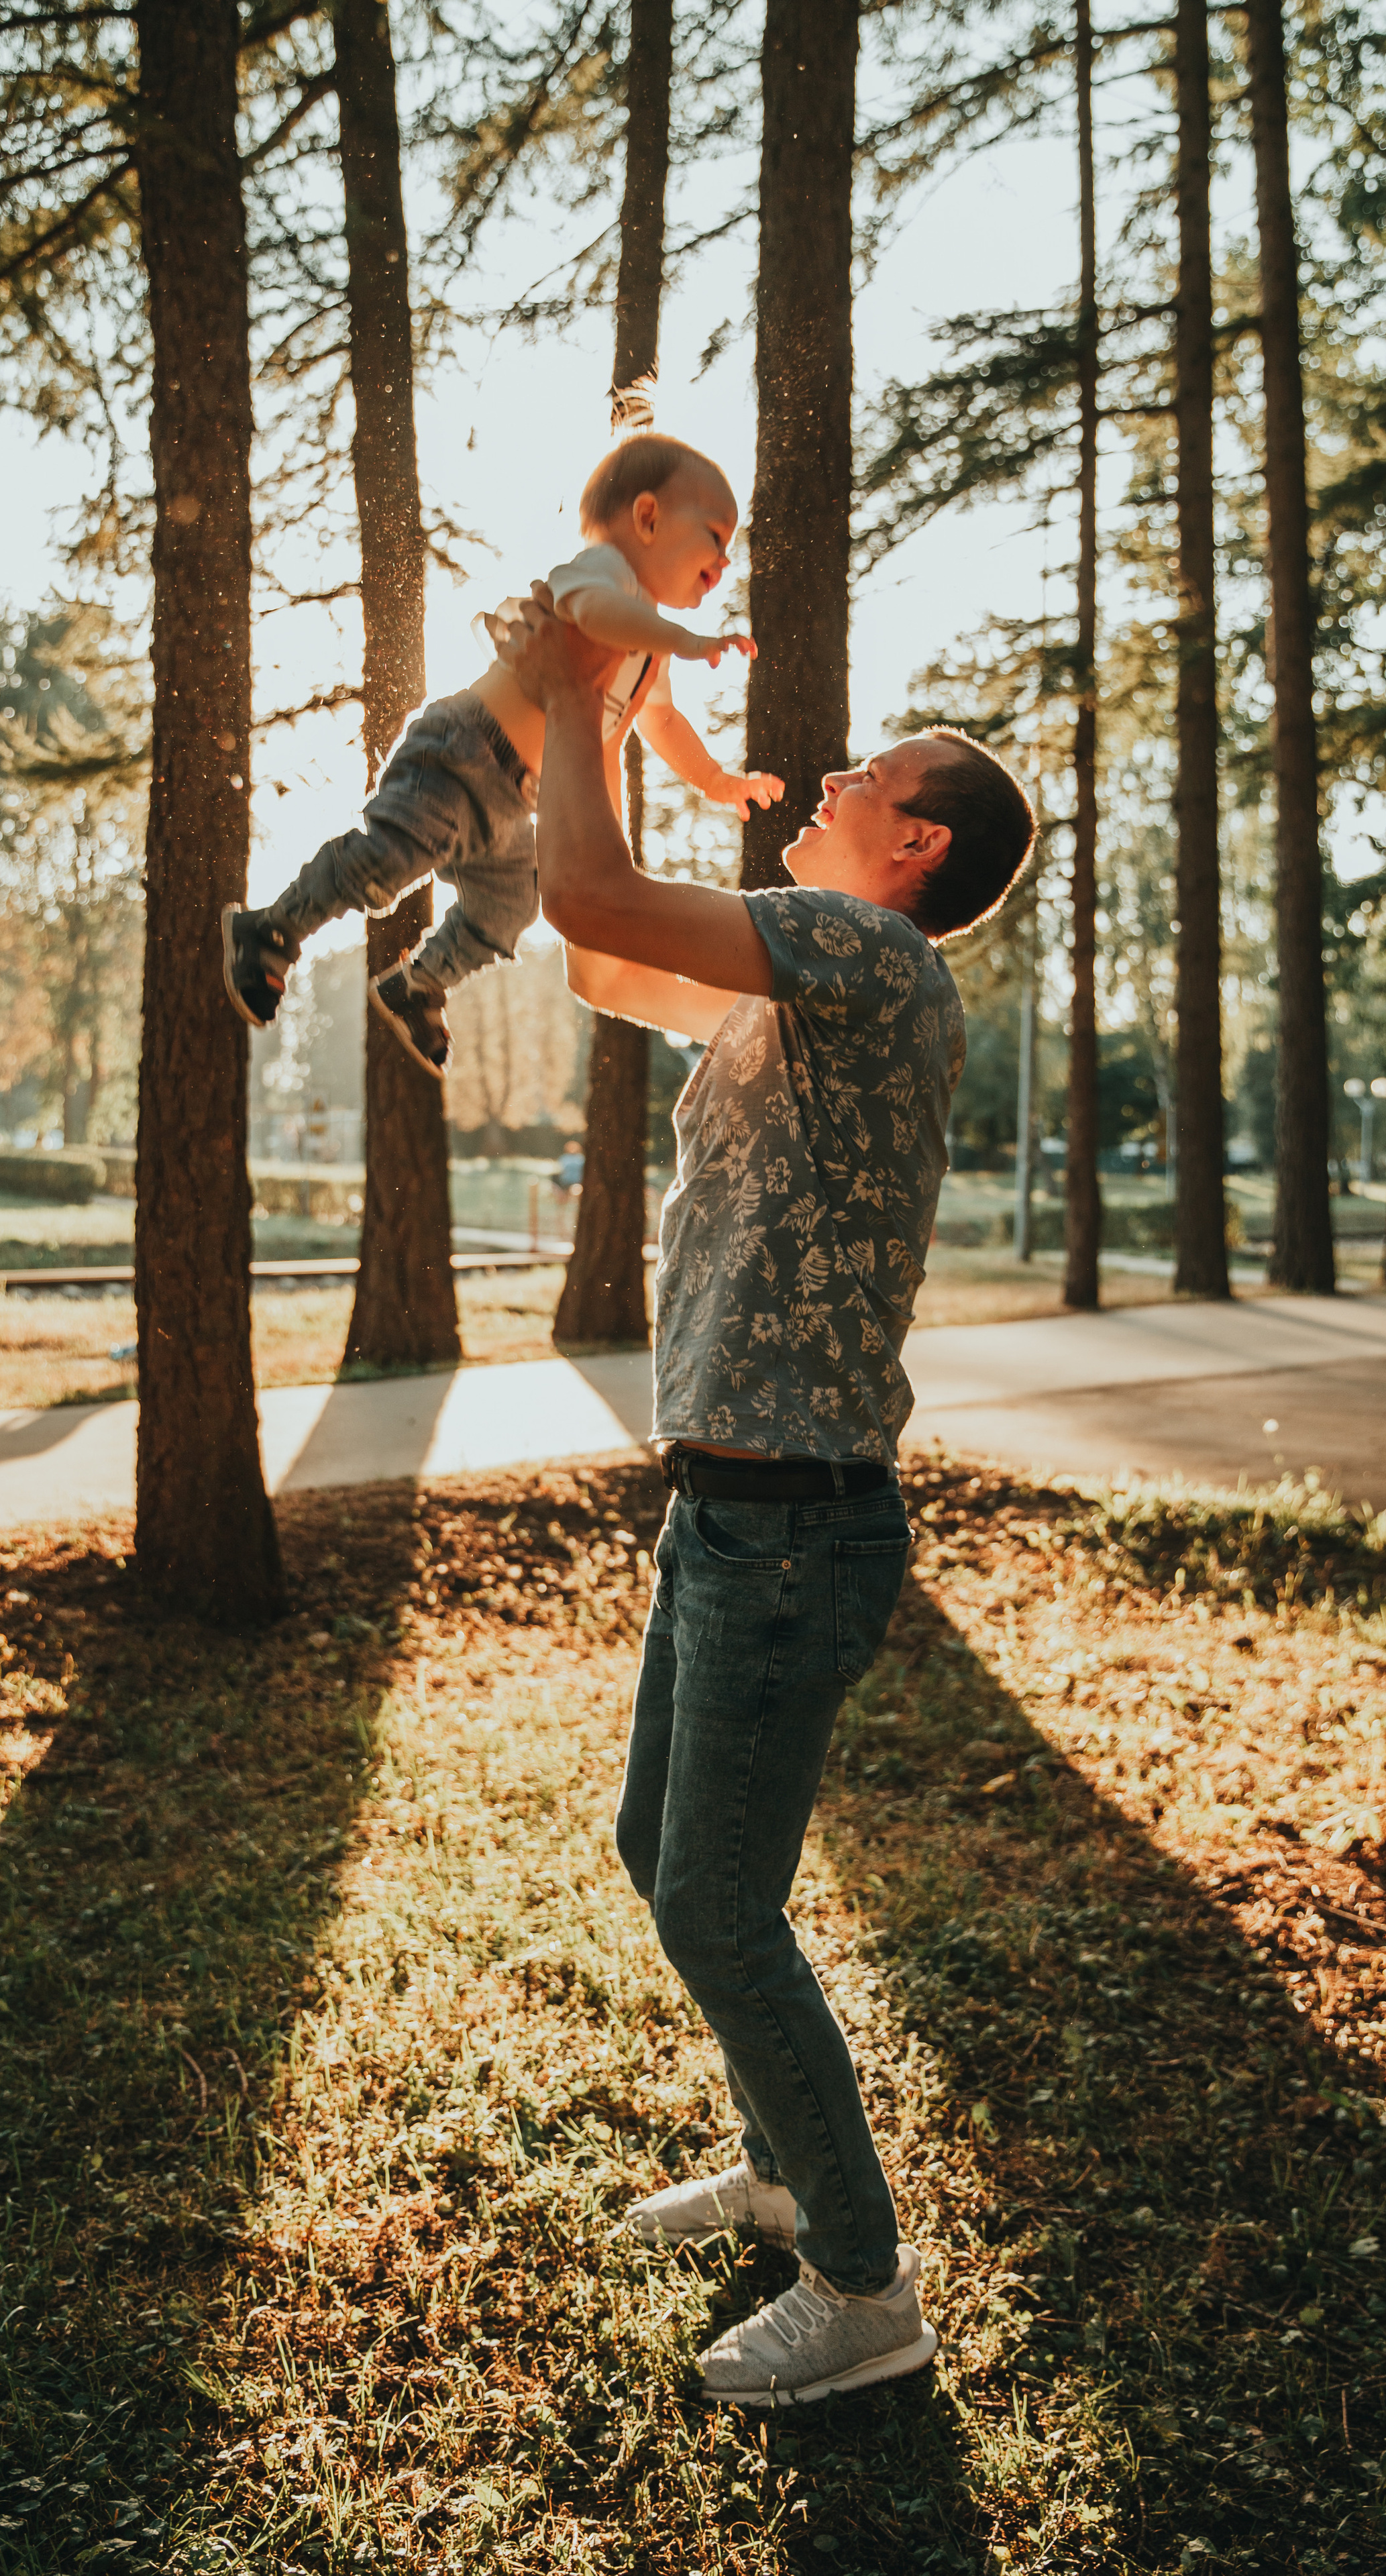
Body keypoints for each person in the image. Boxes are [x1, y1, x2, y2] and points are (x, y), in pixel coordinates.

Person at [494, 585, 1036, 2409]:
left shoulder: (871, 958)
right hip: (735, 1512)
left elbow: (585, 898)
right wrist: (611, 701)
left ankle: (868, 2292)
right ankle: (790, 2175)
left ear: (917, 842)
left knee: (718, 1906)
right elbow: (601, 952)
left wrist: (578, 695)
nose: (821, 772)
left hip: (795, 1524)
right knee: (671, 1861)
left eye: (865, 770)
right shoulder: (797, 974)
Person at [220, 434, 784, 1073]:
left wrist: (715, 781)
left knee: (512, 908)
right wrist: (683, 638)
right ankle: (272, 928)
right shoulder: (605, 572)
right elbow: (593, 614)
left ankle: (420, 983)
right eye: (714, 536)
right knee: (387, 861)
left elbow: (662, 720)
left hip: (517, 801)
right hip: (464, 752)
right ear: (648, 517)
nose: (725, 561)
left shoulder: (648, 640)